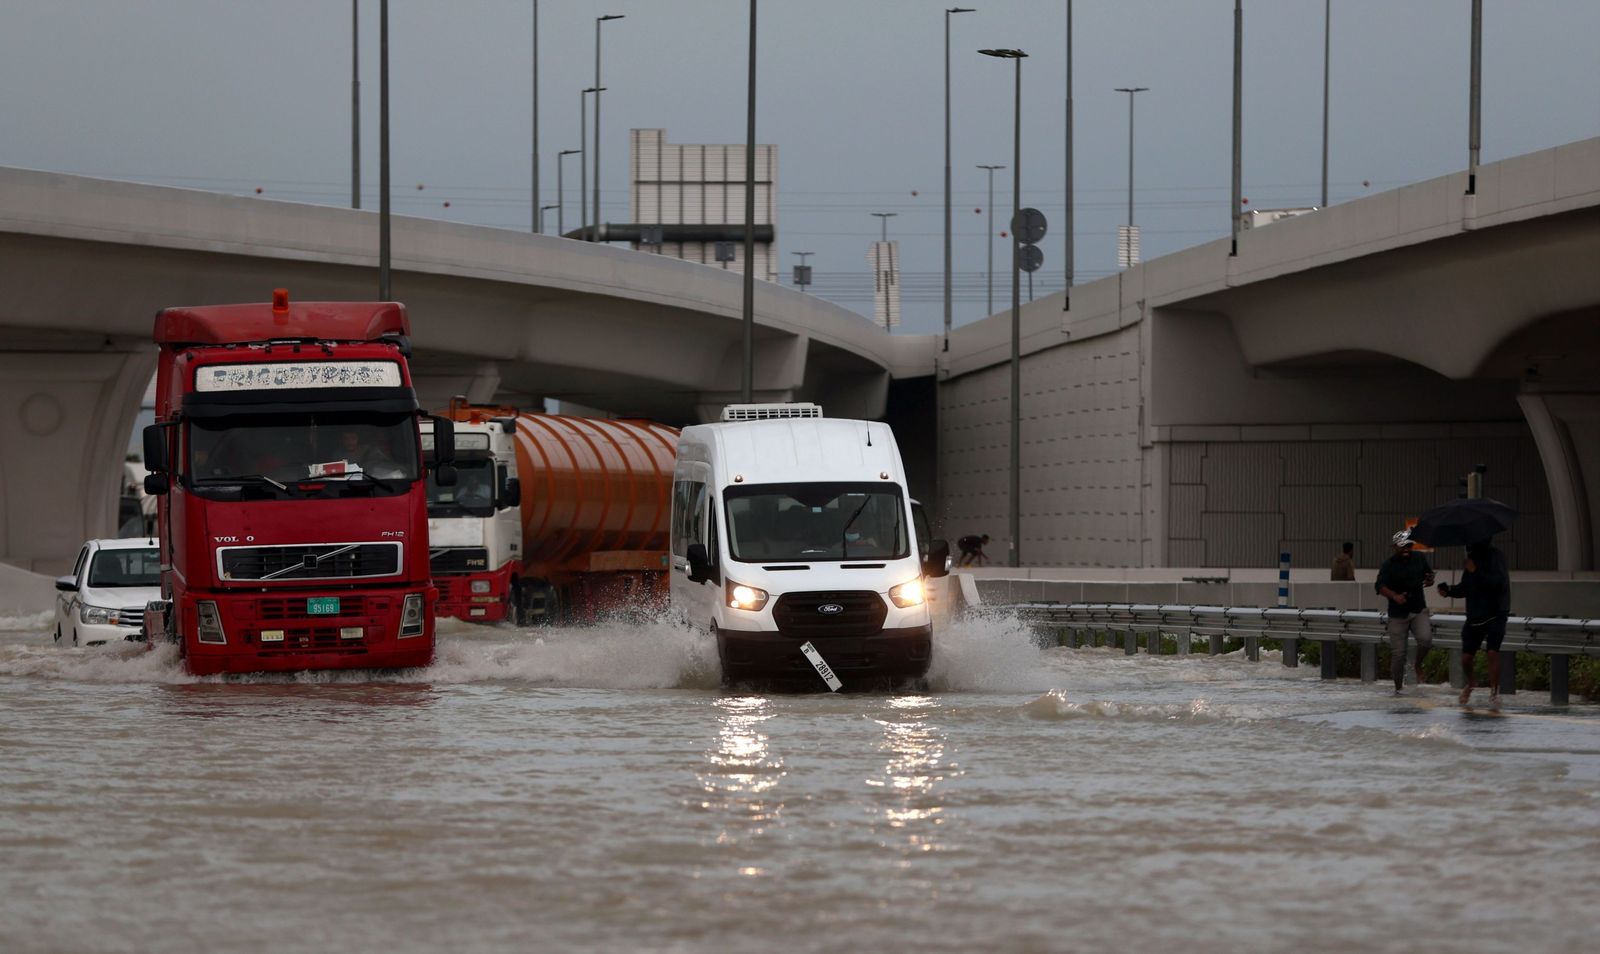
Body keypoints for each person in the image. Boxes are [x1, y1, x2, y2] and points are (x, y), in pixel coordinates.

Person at [1438, 538, 1511, 706]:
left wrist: (1476, 570)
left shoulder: (1496, 557)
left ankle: (1494, 693)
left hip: (1495, 613)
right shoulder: (1472, 560)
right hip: (1475, 616)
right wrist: (1449, 591)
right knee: (1466, 658)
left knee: (1492, 652)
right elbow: (1466, 587)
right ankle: (1471, 682)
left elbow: (1498, 583)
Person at [1375, 529, 1436, 694]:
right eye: (1402, 546)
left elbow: (1428, 574)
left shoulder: (1419, 558)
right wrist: (1394, 596)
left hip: (1418, 609)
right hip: (1397, 614)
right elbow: (1379, 586)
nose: (1406, 549)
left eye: (1409, 546)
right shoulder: (1388, 565)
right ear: (1395, 547)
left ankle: (1417, 664)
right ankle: (1398, 688)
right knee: (1399, 654)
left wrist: (1430, 579)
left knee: (1425, 640)